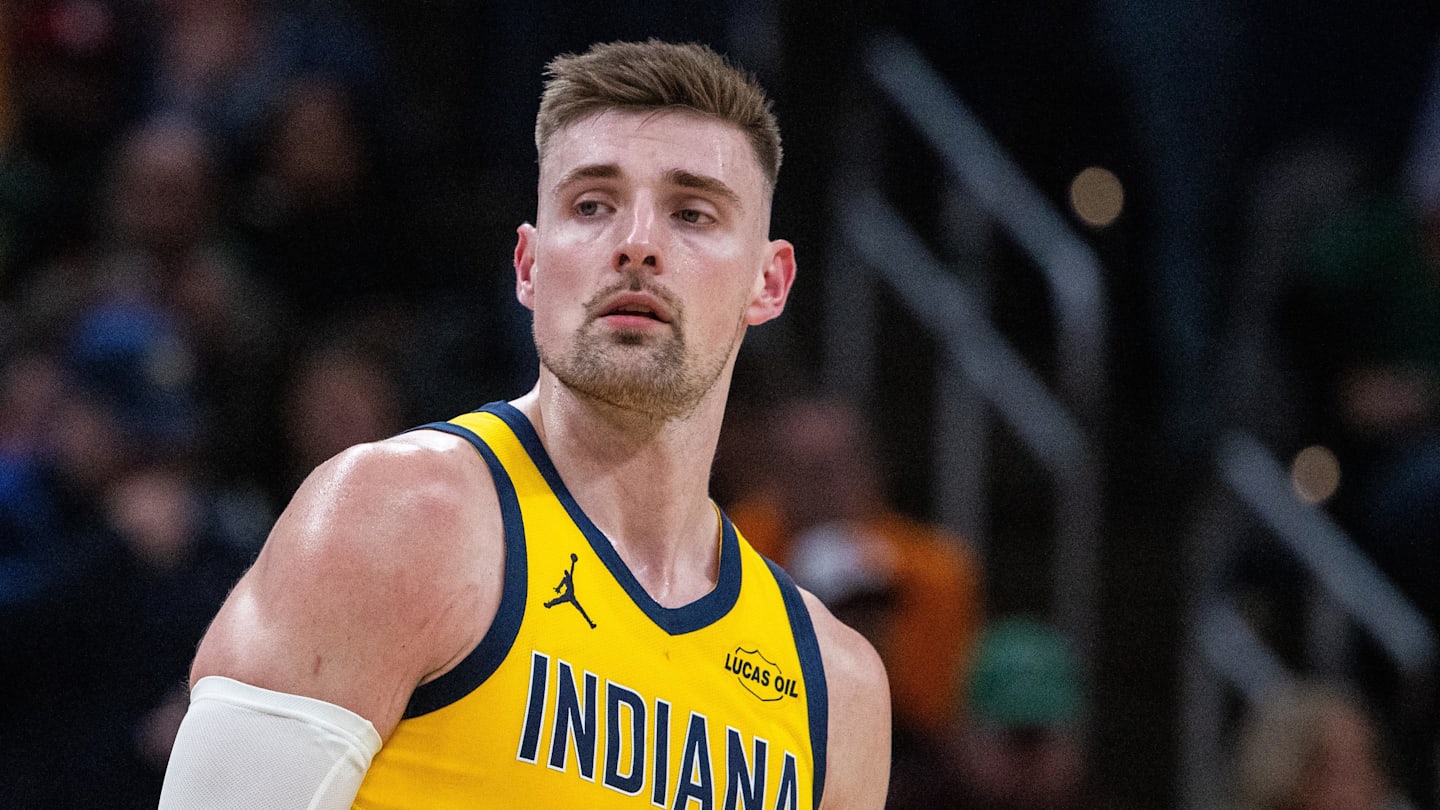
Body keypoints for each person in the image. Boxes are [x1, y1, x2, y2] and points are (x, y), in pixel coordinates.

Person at [158, 39, 892, 809]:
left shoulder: (835, 689)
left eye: (692, 212)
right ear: (530, 266)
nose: (636, 243)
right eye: (592, 205)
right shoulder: (398, 519)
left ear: (767, 283)